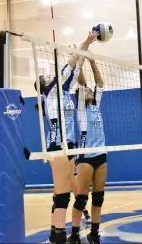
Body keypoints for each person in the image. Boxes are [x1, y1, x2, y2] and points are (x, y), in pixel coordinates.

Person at [33, 31, 98, 244]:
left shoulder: (62, 92)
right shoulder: (51, 93)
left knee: (67, 189)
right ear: (45, 86)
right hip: (57, 147)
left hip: (68, 146)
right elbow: (69, 64)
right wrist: (85, 41)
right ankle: (59, 236)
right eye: (48, 77)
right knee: (62, 194)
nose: (51, 76)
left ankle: (54, 233)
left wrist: (84, 48)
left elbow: (76, 67)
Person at [68, 57, 106, 244]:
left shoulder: (95, 104)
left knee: (98, 197)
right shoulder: (81, 108)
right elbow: (83, 82)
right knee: (81, 199)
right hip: (85, 156)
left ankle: (94, 233)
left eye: (91, 91)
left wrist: (93, 61)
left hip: (101, 155)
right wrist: (79, 57)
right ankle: (74, 234)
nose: (90, 90)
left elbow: (99, 82)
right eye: (87, 91)